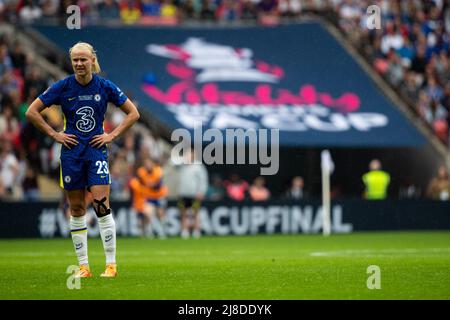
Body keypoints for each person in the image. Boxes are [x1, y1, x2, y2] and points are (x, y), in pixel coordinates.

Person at [26, 42, 140, 278]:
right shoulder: (62, 86)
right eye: (75, 60)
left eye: (83, 59)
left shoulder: (104, 86)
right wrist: (55, 134)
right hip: (71, 154)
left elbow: (133, 113)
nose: (79, 64)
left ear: (92, 60)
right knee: (76, 208)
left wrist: (112, 135)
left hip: (96, 151)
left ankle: (111, 265)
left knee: (101, 205)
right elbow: (31, 111)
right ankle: (84, 267)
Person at [177, 148, 208, 239]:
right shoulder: (182, 166)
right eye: (187, 155)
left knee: (195, 213)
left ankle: (196, 231)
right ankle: (184, 231)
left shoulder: (198, 167)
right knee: (183, 213)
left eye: (190, 155)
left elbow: (203, 180)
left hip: (195, 194)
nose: (188, 157)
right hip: (183, 193)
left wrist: (201, 192)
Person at [136, 157, 168, 238]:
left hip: (159, 195)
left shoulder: (158, 171)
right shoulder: (141, 172)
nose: (148, 165)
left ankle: (163, 232)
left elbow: (158, 185)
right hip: (149, 196)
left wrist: (151, 184)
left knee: (160, 214)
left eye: (149, 163)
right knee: (148, 214)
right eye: (146, 164)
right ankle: (149, 232)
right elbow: (141, 183)